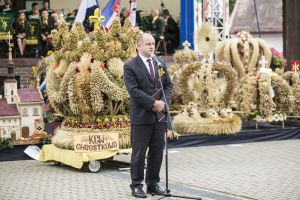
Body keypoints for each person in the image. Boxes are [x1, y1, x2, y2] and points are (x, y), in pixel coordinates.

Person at [124, 33, 173, 198]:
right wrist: (153, 103)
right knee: (139, 153)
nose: (152, 46)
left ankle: (152, 184)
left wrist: (164, 102)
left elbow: (168, 85)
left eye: (153, 43)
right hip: (141, 116)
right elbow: (133, 90)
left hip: (159, 117)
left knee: (157, 152)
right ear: (138, 46)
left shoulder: (159, 62)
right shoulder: (130, 66)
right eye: (148, 44)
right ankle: (136, 185)